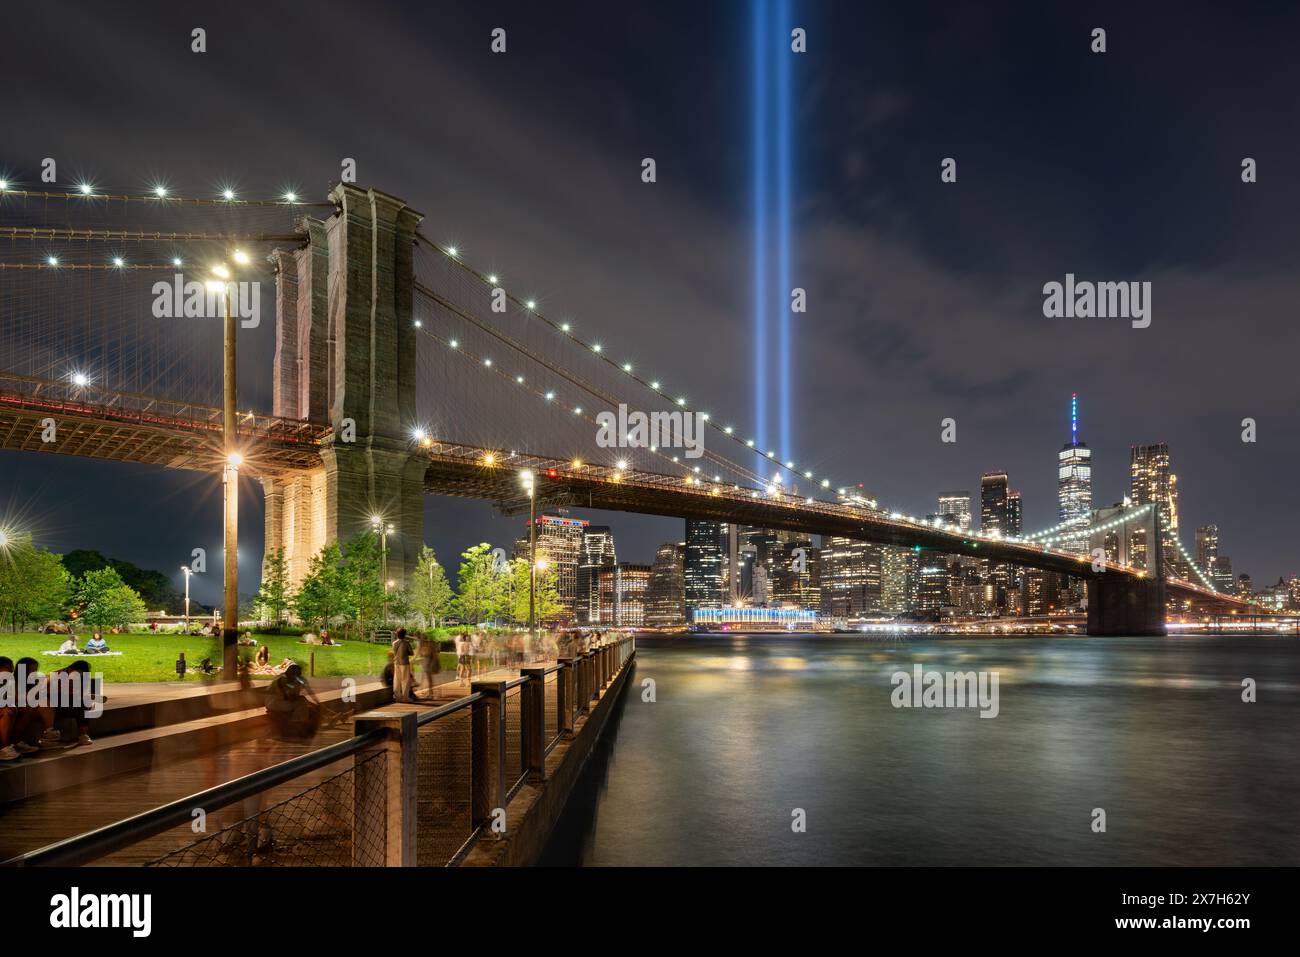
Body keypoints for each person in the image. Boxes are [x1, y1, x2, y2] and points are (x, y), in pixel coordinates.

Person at [264, 664, 322, 739]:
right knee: (301, 703)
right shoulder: (283, 680)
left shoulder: (294, 679)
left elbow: (308, 691)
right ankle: (299, 726)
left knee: (303, 702)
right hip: (275, 703)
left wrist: (317, 702)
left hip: (281, 701)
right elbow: (288, 696)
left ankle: (301, 726)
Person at [390, 628, 416, 703]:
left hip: (396, 663)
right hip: (404, 663)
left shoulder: (394, 643)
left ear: (397, 634)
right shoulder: (406, 643)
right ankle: (405, 697)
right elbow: (412, 653)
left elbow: (395, 652)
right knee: (405, 680)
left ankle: (397, 697)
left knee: (397, 679)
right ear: (404, 635)